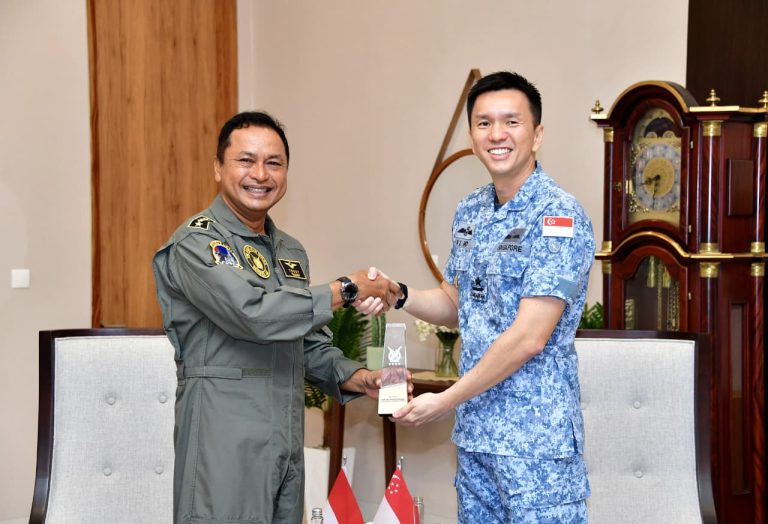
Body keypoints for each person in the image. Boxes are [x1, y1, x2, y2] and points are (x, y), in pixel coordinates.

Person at [152, 111, 403, 524]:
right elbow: (254, 315)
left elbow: (304, 341)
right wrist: (348, 287)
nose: (261, 174)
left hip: (285, 437)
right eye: (246, 160)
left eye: (274, 163)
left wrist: (361, 378)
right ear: (218, 167)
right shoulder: (197, 242)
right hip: (224, 438)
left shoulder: (289, 251)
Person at [369, 72, 594, 522]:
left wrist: (447, 398)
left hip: (536, 446)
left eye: (511, 122)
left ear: (537, 134)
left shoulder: (557, 215)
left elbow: (530, 337)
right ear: (472, 136)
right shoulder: (470, 209)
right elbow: (458, 306)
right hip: (476, 437)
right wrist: (400, 294)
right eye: (483, 122)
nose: (497, 135)